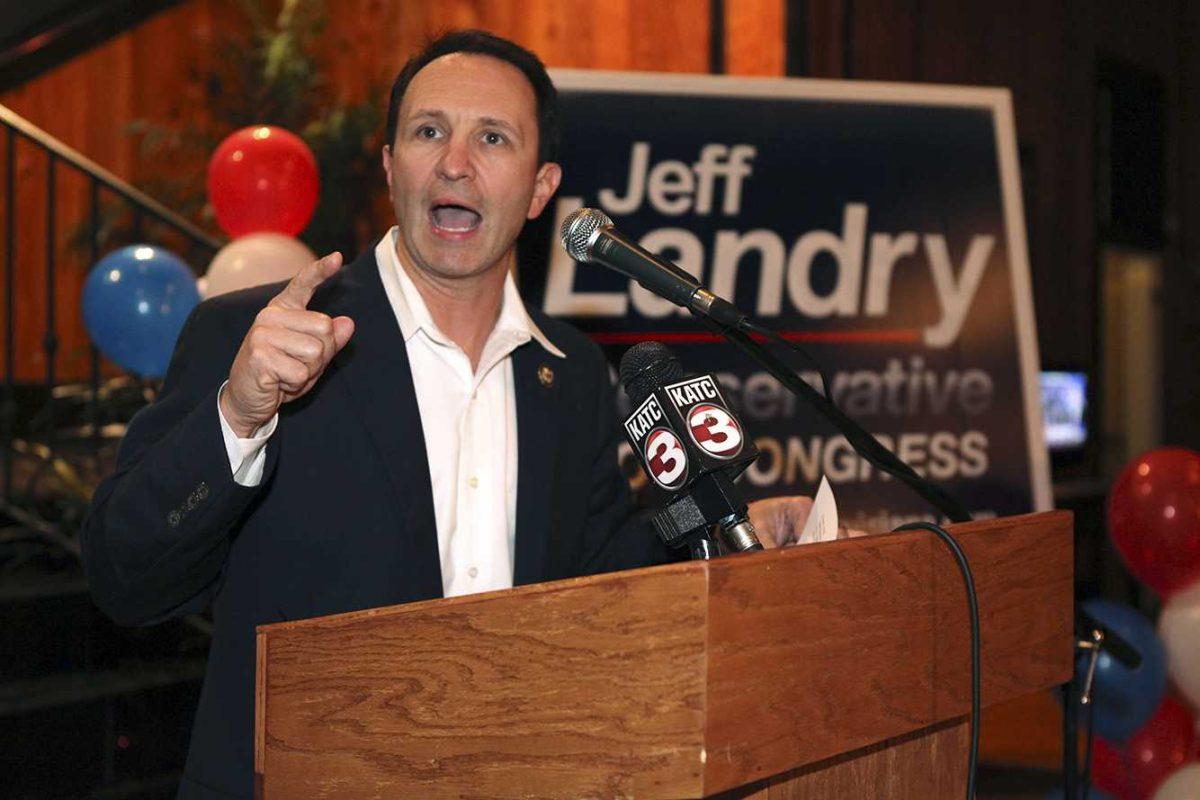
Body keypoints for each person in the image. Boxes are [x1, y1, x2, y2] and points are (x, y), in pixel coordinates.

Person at [81, 30, 814, 800]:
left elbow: (601, 587)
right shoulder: (254, 339)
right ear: (393, 166)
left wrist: (729, 538)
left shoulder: (569, 377)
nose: (455, 162)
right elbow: (126, 581)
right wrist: (238, 415)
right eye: (429, 132)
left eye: (492, 138)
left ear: (539, 189)